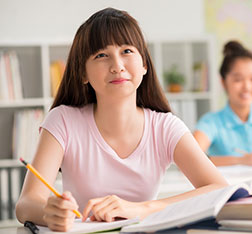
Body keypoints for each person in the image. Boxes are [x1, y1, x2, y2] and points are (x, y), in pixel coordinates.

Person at [15, 8, 228, 232]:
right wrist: (50, 212)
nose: (117, 66)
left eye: (126, 50)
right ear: (83, 74)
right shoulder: (63, 120)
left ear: (144, 65)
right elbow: (26, 204)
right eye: (101, 55)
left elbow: (219, 188)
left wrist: (144, 208)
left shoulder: (165, 127)